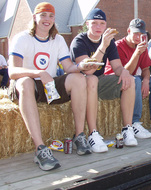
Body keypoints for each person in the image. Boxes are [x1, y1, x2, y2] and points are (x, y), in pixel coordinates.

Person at [8, 2, 92, 171]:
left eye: (51, 16)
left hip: (49, 85)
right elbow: (13, 71)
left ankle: (79, 135)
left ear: (54, 19)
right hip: (27, 84)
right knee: (25, 82)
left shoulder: (58, 39)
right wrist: (38, 72)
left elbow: (68, 68)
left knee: (78, 79)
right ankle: (40, 149)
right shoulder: (21, 38)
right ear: (34, 18)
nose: (47, 19)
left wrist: (82, 66)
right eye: (43, 15)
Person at [70, 8, 137, 147]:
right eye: (94, 23)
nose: (98, 27)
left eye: (101, 23)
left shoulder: (109, 41)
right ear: (87, 24)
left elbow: (117, 67)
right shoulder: (79, 41)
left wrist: (124, 71)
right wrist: (102, 46)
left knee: (130, 79)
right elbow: (88, 71)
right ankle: (93, 133)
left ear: (106, 25)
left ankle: (127, 128)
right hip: (79, 84)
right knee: (92, 79)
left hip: (99, 82)